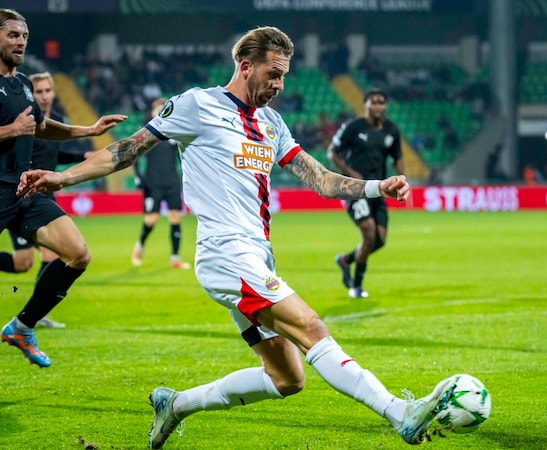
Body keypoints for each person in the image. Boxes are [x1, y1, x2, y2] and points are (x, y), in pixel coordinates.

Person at [17, 26, 456, 449]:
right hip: (225, 254)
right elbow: (125, 149)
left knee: (288, 378)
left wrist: (379, 186)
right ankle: (401, 414)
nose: (280, 84)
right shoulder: (197, 105)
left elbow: (319, 179)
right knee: (311, 326)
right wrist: (63, 178)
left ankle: (176, 404)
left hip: (257, 257)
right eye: (274, 74)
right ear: (246, 66)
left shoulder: (272, 124)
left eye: (284, 75)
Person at [0, 9, 126, 367]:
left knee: (77, 254)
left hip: (23, 190)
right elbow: (21, 128)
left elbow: (39, 127)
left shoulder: (22, 83)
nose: (21, 41)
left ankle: (22, 327)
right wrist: (10, 131)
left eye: (24, 35)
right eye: (12, 35)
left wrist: (88, 130)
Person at [0, 72, 94, 328]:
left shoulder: (27, 94)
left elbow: (50, 143)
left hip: (31, 192)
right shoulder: (14, 107)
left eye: (46, 91)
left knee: (66, 254)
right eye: (13, 34)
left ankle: (28, 321)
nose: (43, 95)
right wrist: (12, 129)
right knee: (30, 261)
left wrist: (88, 136)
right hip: (8, 189)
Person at [327, 89, 404, 299]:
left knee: (380, 241)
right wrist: (351, 173)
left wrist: (401, 179)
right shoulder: (353, 127)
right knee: (369, 234)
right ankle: (357, 286)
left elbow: (397, 156)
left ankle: (346, 260)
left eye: (382, 102)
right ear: (366, 104)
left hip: (379, 190)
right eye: (374, 102)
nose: (378, 106)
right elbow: (332, 152)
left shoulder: (391, 130)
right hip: (355, 190)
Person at [131, 97, 190, 270]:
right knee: (151, 219)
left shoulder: (174, 134)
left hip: (172, 181)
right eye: (157, 109)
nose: (160, 111)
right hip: (153, 182)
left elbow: (184, 156)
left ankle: (175, 258)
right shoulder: (145, 133)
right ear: (151, 113)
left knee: (175, 218)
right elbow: (133, 155)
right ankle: (139, 246)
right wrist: (138, 176)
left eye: (163, 109)